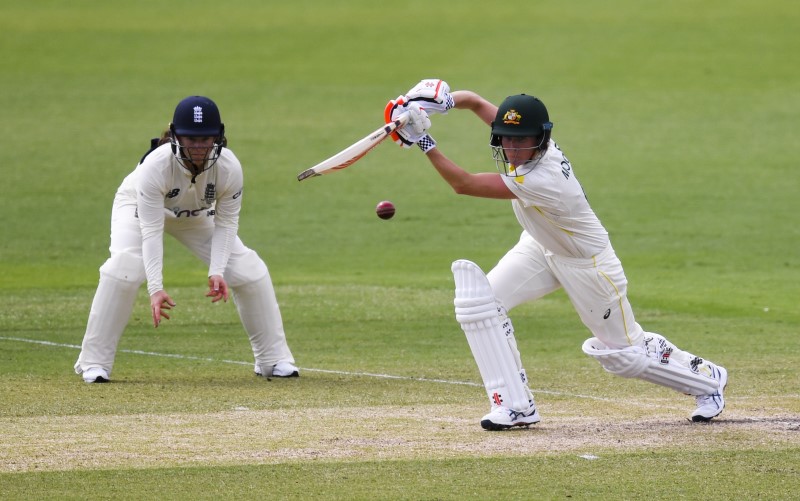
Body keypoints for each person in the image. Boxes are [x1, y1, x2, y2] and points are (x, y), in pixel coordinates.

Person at [385, 80, 727, 430]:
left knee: (625, 355)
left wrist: (423, 140)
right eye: (506, 138)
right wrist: (437, 104)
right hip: (540, 245)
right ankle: (515, 406)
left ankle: (708, 380)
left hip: (587, 264)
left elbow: (464, 184)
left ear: (541, 139)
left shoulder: (543, 178)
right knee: (480, 305)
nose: (513, 148)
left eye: (522, 140)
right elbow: (476, 103)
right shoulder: (534, 144)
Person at [74, 96, 299, 383]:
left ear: (219, 136)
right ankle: (94, 363)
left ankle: (274, 359)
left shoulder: (229, 167)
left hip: (193, 214)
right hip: (139, 207)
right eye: (191, 139)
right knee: (125, 268)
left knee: (249, 270)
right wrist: (156, 288)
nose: (198, 148)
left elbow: (227, 223)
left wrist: (217, 271)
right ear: (175, 136)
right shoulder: (155, 167)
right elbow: (151, 231)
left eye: (206, 139)